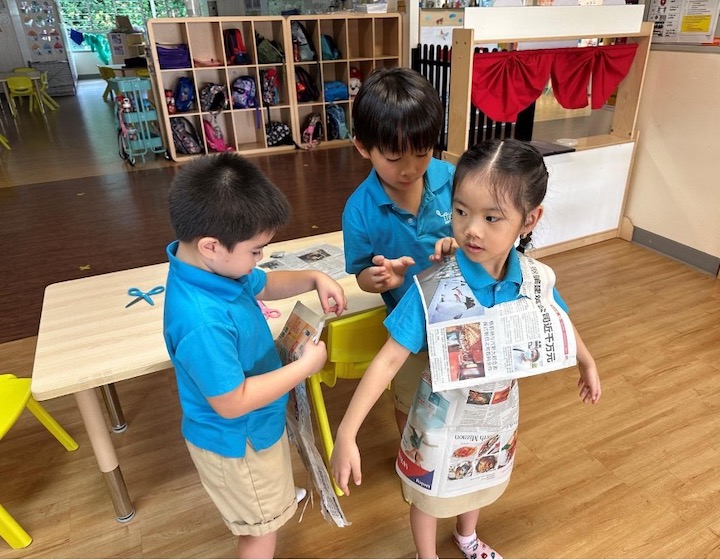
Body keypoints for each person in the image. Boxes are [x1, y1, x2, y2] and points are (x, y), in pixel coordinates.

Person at [331, 139, 601, 559]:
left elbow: (559, 320)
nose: (471, 228)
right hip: (439, 421)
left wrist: (586, 362)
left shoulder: (536, 278)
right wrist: (346, 432)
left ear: (529, 220)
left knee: (478, 479)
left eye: (492, 217)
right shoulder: (433, 286)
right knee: (427, 495)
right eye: (461, 212)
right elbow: (388, 360)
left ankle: (467, 537)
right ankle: (427, 555)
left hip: (495, 416)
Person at [163, 152, 347, 559]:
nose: (259, 259)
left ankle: (273, 500)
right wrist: (303, 368)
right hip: (237, 442)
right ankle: (268, 508)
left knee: (267, 499)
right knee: (260, 534)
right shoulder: (202, 320)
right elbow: (232, 402)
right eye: (256, 250)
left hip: (256, 426)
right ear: (212, 246)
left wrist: (314, 276)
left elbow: (264, 284)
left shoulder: (216, 269)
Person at [342, 66, 455, 433]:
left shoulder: (453, 180)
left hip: (460, 317)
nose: (409, 169)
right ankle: (412, 460)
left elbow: (482, 235)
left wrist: (462, 247)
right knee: (408, 400)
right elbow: (360, 273)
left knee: (458, 397)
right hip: (409, 334)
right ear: (363, 147)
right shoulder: (359, 210)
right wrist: (376, 279)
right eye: (393, 157)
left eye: (421, 153)